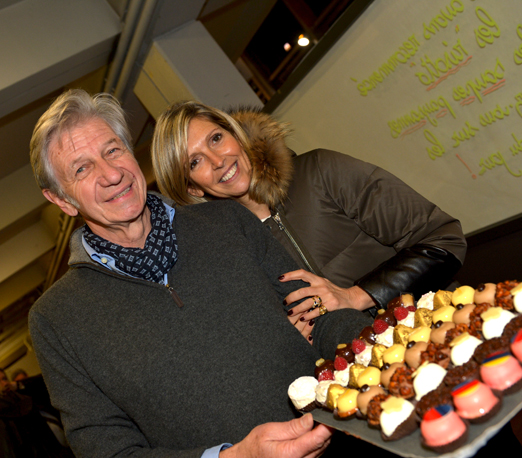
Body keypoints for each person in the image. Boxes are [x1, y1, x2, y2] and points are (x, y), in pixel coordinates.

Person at [28, 89, 373, 457]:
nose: (112, 174)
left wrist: (381, 349)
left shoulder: (226, 220)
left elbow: (320, 314)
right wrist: (234, 457)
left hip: (347, 435)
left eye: (113, 150)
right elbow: (108, 451)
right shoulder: (56, 320)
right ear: (62, 200)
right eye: (82, 168)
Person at [151, 103, 467, 328]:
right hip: (368, 384)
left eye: (216, 139)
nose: (218, 160)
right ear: (193, 189)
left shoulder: (320, 171)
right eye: (195, 162)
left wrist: (357, 296)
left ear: (236, 135)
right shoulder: (230, 256)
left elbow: (443, 239)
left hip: (441, 329)